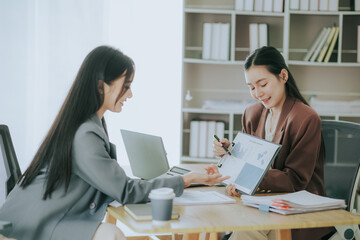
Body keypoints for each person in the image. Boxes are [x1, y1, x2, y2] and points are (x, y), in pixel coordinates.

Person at [0, 46, 229, 240]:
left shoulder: (88, 122)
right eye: (126, 86)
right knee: (111, 234)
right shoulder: (85, 134)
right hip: (36, 225)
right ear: (102, 86)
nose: (129, 95)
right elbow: (125, 190)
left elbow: (115, 184)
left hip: (42, 216)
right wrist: (186, 179)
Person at [209, 46, 332, 240]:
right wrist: (230, 153)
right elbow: (250, 159)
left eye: (263, 84)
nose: (257, 93)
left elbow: (295, 179)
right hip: (261, 203)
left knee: (244, 231)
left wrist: (247, 181)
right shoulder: (251, 114)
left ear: (283, 76)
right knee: (218, 219)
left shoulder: (306, 118)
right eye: (251, 87)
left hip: (294, 209)